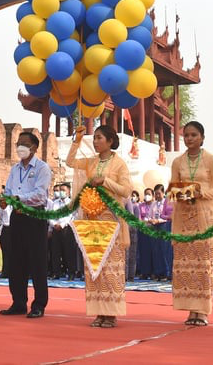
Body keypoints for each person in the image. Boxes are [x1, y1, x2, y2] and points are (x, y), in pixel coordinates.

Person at [66, 125, 133, 328]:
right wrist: (77, 140)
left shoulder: (119, 164)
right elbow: (70, 162)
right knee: (94, 267)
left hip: (111, 222)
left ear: (110, 141)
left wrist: (105, 181)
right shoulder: (91, 162)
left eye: (99, 138)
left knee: (111, 268)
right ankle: (98, 311)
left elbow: (127, 190)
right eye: (94, 138)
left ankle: (111, 313)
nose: (95, 142)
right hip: (92, 222)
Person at [169, 121, 213, 326]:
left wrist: (202, 192)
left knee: (203, 266)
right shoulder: (177, 162)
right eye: (186, 135)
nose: (189, 139)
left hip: (205, 218)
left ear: (202, 137)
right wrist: (179, 192)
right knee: (185, 265)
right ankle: (190, 310)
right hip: (183, 218)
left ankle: (202, 311)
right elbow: (172, 187)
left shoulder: (211, 160)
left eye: (194, 135)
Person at [0, 131, 52, 319]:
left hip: (35, 216)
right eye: (18, 143)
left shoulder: (42, 168)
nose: (20, 147)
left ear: (34, 147)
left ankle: (38, 304)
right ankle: (18, 302)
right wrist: (5, 200)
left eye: (24, 143)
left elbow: (40, 195)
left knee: (37, 262)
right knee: (16, 261)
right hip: (17, 217)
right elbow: (10, 190)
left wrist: (17, 198)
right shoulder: (15, 169)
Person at [48, 182, 75, 280]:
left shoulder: (71, 203)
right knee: (55, 251)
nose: (61, 192)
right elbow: (50, 215)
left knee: (68, 251)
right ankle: (56, 273)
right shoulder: (55, 203)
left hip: (66, 229)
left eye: (63, 190)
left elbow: (70, 216)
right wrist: (53, 224)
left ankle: (71, 272)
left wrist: (62, 225)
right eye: (60, 190)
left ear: (68, 192)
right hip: (55, 229)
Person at [124, 191, 140, 281]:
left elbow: (130, 215)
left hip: (130, 230)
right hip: (126, 228)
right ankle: (127, 275)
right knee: (127, 254)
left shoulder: (127, 200)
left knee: (130, 254)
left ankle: (129, 276)